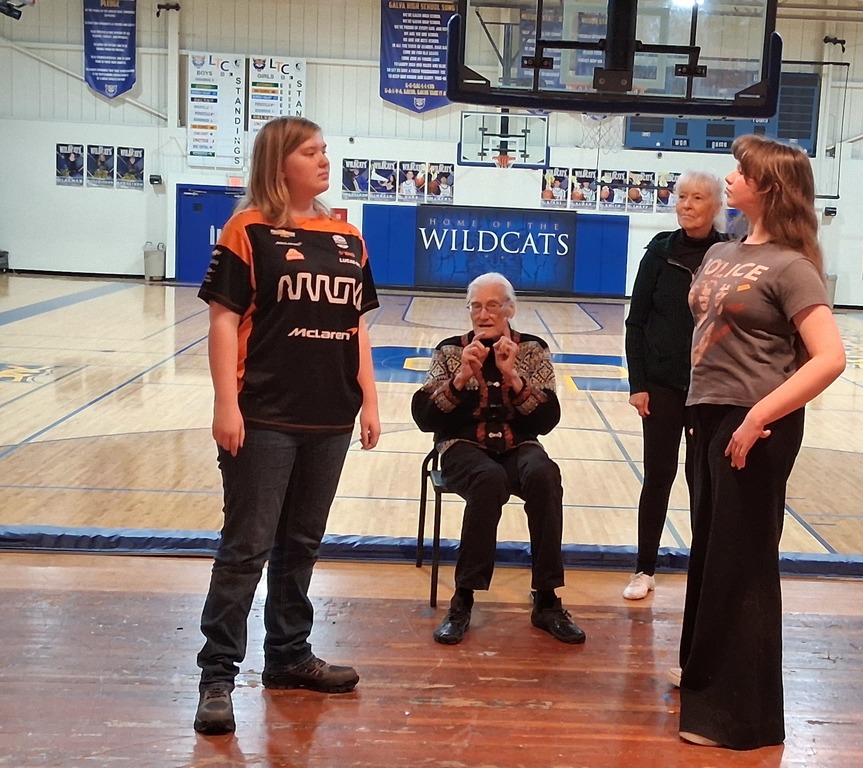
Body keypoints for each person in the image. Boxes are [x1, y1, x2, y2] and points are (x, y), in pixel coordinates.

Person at [193, 115, 381, 736]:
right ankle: (217, 675)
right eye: (311, 151)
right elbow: (224, 321)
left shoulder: (348, 236)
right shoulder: (247, 229)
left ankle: (288, 657)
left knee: (301, 545)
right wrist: (227, 403)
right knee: (247, 548)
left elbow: (356, 327)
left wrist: (370, 401)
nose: (324, 160)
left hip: (330, 416)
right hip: (264, 414)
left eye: (326, 149)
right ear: (280, 165)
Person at [676, 134, 846, 750]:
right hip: (709, 416)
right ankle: (703, 682)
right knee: (710, 557)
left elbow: (829, 359)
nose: (729, 177)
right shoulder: (721, 250)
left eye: (739, 171)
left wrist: (756, 418)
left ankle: (740, 721)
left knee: (742, 566)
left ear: (767, 186)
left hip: (758, 423)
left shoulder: (794, 267)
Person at [411, 272, 586, 646]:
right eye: (476, 306)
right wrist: (459, 380)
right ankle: (463, 599)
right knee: (488, 480)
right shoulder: (449, 350)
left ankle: (547, 599)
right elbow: (426, 417)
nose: (483, 313)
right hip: (462, 448)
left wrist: (513, 377)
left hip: (518, 447)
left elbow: (546, 420)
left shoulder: (533, 350)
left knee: (544, 475)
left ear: (510, 309)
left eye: (492, 305)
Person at [622, 170, 727, 601]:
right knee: (659, 475)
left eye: (697, 197)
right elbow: (636, 321)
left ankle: (705, 571)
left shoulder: (728, 254)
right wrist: (638, 383)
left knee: (702, 478)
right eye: (681, 196)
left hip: (710, 386)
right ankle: (644, 568)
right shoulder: (659, 252)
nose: (686, 204)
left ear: (716, 205)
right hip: (662, 386)